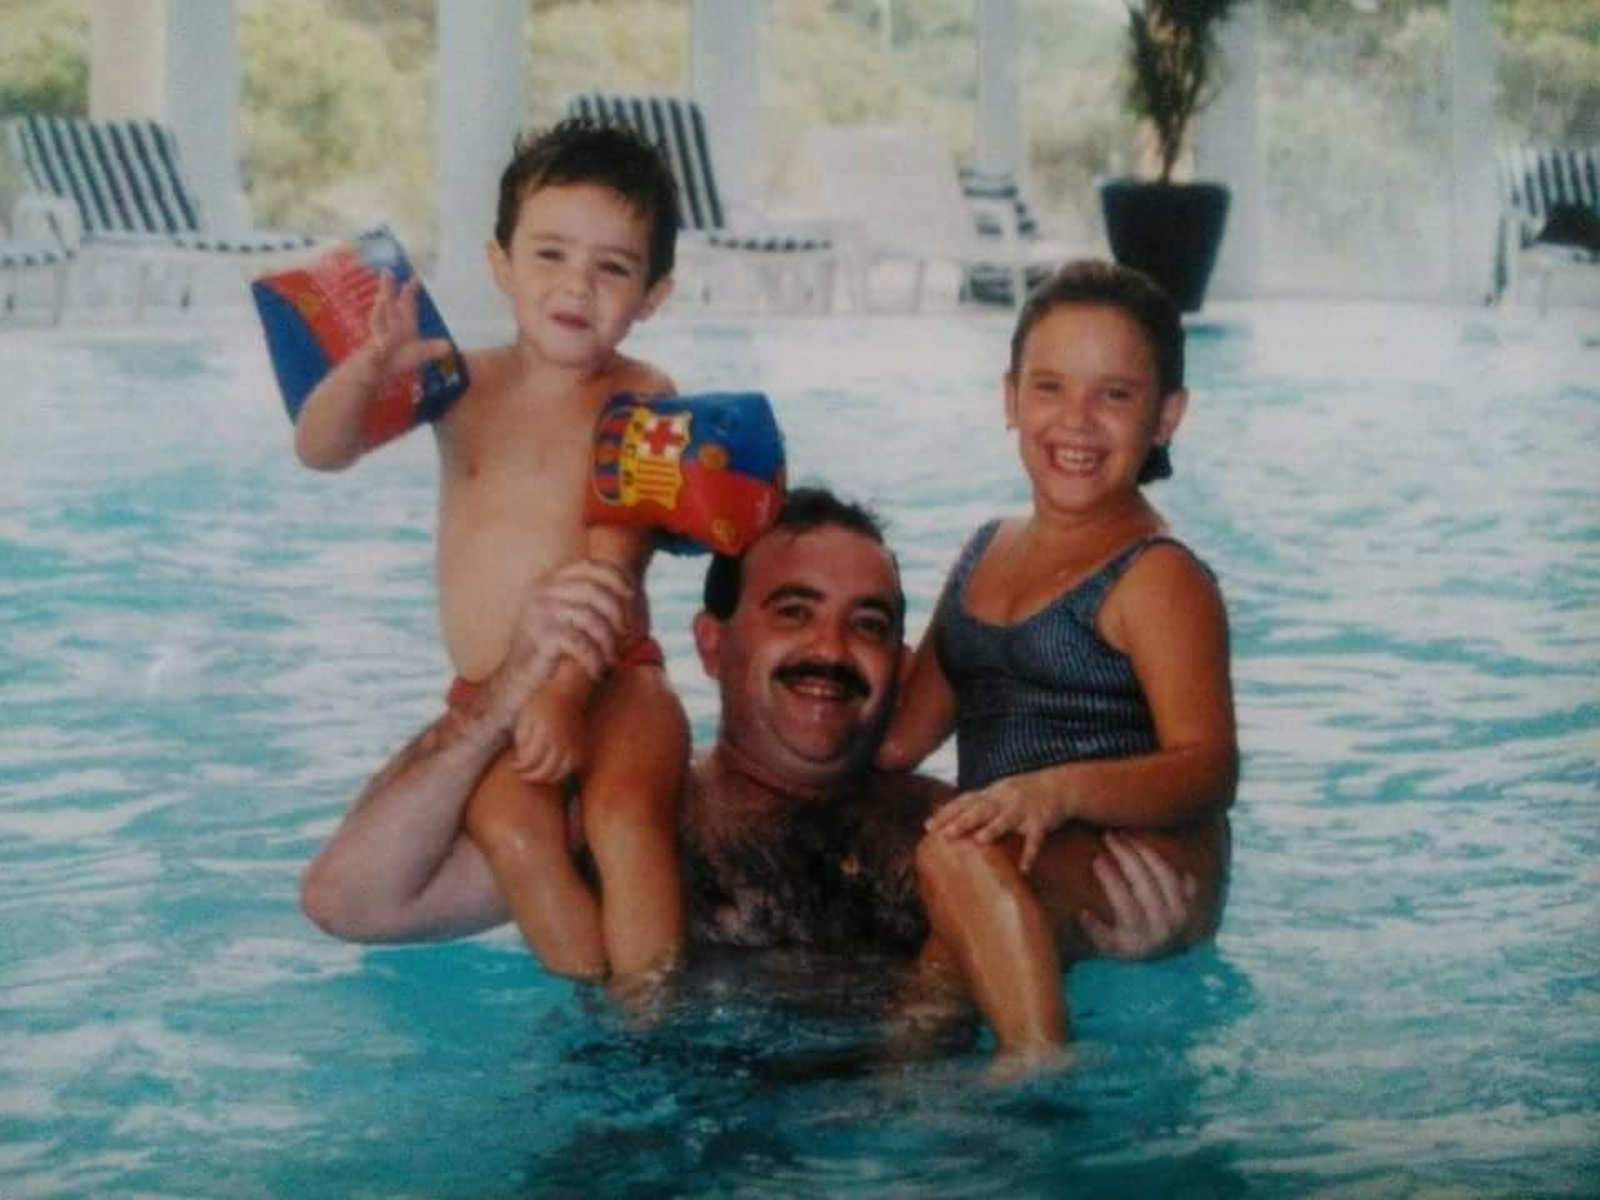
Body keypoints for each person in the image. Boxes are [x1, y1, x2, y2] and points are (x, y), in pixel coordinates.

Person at [300, 487, 1223, 1033]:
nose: (831, 649)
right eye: (793, 612)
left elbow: (1091, 926)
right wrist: (507, 692)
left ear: (900, 668)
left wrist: (1136, 951)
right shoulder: (642, 827)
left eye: (868, 626)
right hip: (664, 1147)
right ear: (710, 645)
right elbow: (354, 900)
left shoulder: (959, 832)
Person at [292, 119, 689, 992]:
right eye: (549, 255)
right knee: (515, 838)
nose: (576, 284)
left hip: (615, 678)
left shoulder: (640, 393)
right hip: (488, 701)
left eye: (612, 267)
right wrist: (367, 369)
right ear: (500, 264)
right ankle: (605, 1018)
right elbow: (322, 449)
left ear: (653, 294)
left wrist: (562, 692)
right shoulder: (459, 385)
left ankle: (659, 1008)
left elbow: (610, 566)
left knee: (624, 816)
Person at [876, 259, 1236, 1073]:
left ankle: (1040, 1070)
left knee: (958, 858)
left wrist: (1056, 791)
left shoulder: (1156, 575)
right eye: (1050, 387)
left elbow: (1210, 767)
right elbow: (897, 743)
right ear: (1010, 399)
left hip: (1138, 858)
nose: (1076, 421)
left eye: (1115, 394)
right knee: (932, 982)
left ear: (1167, 416)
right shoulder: (983, 552)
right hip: (1013, 861)